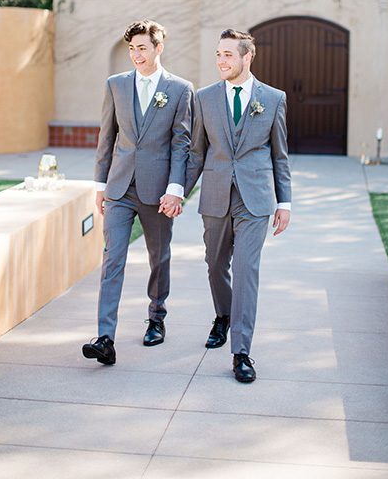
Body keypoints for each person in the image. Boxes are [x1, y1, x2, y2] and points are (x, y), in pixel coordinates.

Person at [82, 20, 193, 366]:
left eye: (142, 48)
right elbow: (107, 136)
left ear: (159, 49)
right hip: (118, 186)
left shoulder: (180, 89)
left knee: (158, 257)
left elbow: (181, 144)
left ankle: (156, 317)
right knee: (112, 258)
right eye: (131, 48)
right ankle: (105, 337)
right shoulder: (116, 85)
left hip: (158, 190)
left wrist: (175, 189)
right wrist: (100, 185)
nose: (136, 55)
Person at [185, 28, 291, 383]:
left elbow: (280, 154)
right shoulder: (204, 98)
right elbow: (196, 153)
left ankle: (241, 352)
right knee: (215, 265)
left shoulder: (273, 99)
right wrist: (176, 192)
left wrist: (285, 201)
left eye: (228, 55)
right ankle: (223, 315)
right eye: (218, 54)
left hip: (255, 199)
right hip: (215, 194)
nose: (221, 61)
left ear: (247, 57)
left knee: (246, 271)